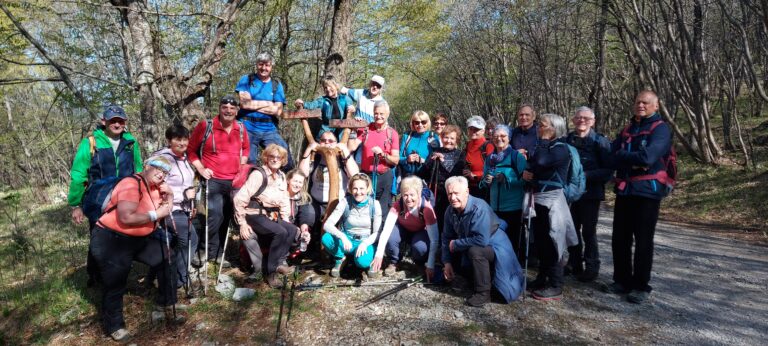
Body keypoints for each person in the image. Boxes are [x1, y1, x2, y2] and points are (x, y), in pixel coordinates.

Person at [89, 156, 180, 341]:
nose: (161, 174)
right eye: (157, 169)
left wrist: (169, 196)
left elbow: (165, 211)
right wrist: (156, 214)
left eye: (165, 172)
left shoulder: (156, 188)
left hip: (139, 238)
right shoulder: (131, 184)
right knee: (115, 282)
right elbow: (126, 218)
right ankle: (114, 326)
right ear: (146, 166)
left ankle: (166, 302)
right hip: (111, 239)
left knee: (166, 256)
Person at [605, 90, 673, 304]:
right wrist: (630, 160)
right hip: (625, 190)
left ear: (656, 106)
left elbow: (648, 157)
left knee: (643, 240)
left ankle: (641, 286)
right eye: (637, 102)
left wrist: (625, 157)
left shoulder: (661, 129)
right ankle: (621, 281)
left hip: (647, 192)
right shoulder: (628, 129)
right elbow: (610, 156)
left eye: (645, 102)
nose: (640, 105)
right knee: (620, 237)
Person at [68, 104, 143, 286]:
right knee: (98, 238)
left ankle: (117, 274)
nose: (117, 124)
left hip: (124, 198)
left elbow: (138, 170)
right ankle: (95, 276)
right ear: (104, 121)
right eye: (112, 121)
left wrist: (141, 194)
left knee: (122, 235)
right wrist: (76, 204)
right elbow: (79, 174)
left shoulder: (130, 142)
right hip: (97, 201)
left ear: (125, 122)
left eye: (120, 121)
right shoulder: (91, 143)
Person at [442, 176, 524, 307]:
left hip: (495, 247)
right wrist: (446, 263)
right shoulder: (449, 211)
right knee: (454, 251)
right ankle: (478, 281)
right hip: (478, 245)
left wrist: (456, 244)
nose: (452, 198)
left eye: (456, 193)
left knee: (475, 251)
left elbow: (481, 240)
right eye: (449, 193)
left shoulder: (479, 208)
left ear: (467, 192)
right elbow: (446, 237)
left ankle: (483, 293)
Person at [187, 96, 249, 267]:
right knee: (215, 216)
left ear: (237, 110)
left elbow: (246, 149)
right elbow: (191, 151)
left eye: (232, 108)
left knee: (227, 217)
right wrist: (200, 169)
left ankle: (218, 253)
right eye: (224, 107)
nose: (228, 110)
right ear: (219, 108)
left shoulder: (241, 128)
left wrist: (242, 170)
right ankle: (203, 250)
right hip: (213, 180)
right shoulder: (205, 126)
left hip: (234, 181)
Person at [521, 113, 577, 301]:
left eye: (543, 125)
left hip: (553, 201)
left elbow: (542, 162)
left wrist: (543, 142)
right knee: (543, 242)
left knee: (554, 242)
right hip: (539, 199)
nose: (539, 128)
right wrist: (527, 174)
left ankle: (556, 285)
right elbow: (533, 164)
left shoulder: (561, 148)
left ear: (553, 128)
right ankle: (542, 278)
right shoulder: (545, 147)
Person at [234, 144, 299, 288]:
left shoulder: (281, 176)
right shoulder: (259, 174)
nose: (275, 159)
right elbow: (239, 199)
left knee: (292, 230)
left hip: (270, 215)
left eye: (279, 157)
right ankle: (271, 273)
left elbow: (283, 200)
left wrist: (286, 219)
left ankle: (280, 262)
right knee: (280, 232)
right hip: (254, 214)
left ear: (283, 160)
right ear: (266, 158)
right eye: (272, 156)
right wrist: (242, 223)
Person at [564, 107, 612, 282]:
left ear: (593, 121)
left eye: (585, 118)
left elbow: (608, 171)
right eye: (578, 118)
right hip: (570, 193)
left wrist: (586, 176)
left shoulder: (600, 142)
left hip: (591, 194)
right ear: (573, 120)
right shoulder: (567, 140)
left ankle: (592, 266)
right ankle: (574, 263)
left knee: (589, 231)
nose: (581, 121)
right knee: (572, 229)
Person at [150, 125, 198, 290]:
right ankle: (178, 279)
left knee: (176, 243)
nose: (182, 142)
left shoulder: (185, 159)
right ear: (169, 141)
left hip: (184, 207)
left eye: (185, 139)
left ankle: (163, 275)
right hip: (169, 209)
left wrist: (192, 203)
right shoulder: (162, 159)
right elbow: (151, 182)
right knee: (189, 240)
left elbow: (187, 184)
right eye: (178, 139)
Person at [298, 131, 359, 254]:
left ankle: (339, 252)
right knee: (306, 212)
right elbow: (302, 173)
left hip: (339, 203)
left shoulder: (341, 159)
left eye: (331, 141)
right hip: (317, 202)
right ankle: (304, 239)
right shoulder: (316, 157)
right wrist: (308, 150)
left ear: (336, 143)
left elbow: (355, 175)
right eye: (323, 140)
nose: (326, 143)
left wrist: (345, 151)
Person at [371, 176, 439, 281]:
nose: (408, 199)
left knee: (421, 247)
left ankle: (420, 263)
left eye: (412, 195)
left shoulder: (426, 209)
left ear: (419, 194)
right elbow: (386, 231)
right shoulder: (398, 205)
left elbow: (434, 240)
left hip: (420, 231)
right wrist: (379, 254)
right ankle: (394, 261)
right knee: (390, 237)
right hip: (402, 228)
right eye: (405, 195)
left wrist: (430, 265)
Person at [236, 52, 293, 170]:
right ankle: (250, 186)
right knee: (248, 161)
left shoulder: (276, 85)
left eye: (267, 65)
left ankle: (284, 185)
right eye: (261, 64)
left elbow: (277, 111)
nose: (264, 68)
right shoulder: (247, 80)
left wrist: (254, 103)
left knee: (285, 157)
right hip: (247, 127)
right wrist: (268, 103)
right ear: (257, 65)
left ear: (271, 67)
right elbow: (244, 104)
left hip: (269, 129)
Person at [479, 125, 527, 258]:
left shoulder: (516, 157)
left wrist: (507, 179)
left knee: (514, 240)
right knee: (497, 241)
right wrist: (486, 181)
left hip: (514, 207)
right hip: (494, 207)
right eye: (495, 137)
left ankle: (516, 268)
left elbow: (526, 180)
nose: (499, 139)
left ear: (509, 138)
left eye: (503, 136)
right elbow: (482, 183)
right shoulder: (490, 158)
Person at [322, 173, 382, 278]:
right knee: (326, 238)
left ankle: (364, 259)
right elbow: (327, 225)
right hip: (347, 240)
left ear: (368, 188)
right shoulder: (345, 202)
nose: (358, 192)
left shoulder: (375, 204)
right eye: (355, 188)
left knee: (362, 263)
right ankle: (340, 258)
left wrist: (365, 243)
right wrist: (342, 236)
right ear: (350, 189)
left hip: (365, 241)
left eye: (362, 188)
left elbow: (377, 233)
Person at [348, 100, 399, 222]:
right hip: (366, 177)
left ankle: (379, 238)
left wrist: (383, 155)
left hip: (384, 177)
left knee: (382, 212)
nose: (379, 116)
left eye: (382, 113)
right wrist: (353, 130)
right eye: (376, 113)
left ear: (387, 114)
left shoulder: (392, 134)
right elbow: (351, 147)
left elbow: (395, 160)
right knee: (364, 208)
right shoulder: (366, 129)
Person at [422, 125, 465, 233]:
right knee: (435, 219)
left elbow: (457, 173)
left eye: (452, 138)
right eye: (446, 137)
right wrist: (432, 160)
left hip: (451, 194)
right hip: (435, 192)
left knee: (450, 221)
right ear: (441, 138)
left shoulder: (460, 154)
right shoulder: (435, 151)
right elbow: (424, 171)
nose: (448, 141)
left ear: (457, 140)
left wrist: (442, 160)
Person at [399, 110, 440, 177]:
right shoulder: (407, 136)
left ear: (428, 123)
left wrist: (422, 160)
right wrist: (407, 159)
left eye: (423, 122)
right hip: (408, 176)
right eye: (417, 122)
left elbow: (437, 160)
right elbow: (398, 157)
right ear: (413, 124)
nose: (420, 125)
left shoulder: (433, 137)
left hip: (426, 176)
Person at [463, 116, 494, 199]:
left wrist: (475, 175)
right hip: (469, 186)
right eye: (471, 129)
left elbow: (493, 168)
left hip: (484, 187)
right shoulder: (468, 145)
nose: (473, 131)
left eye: (476, 129)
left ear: (483, 131)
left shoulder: (488, 146)